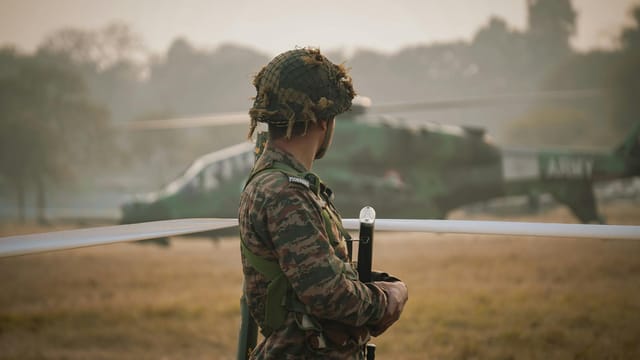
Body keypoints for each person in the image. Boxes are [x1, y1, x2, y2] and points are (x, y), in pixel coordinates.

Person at [238, 48, 408, 359]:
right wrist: (390, 298)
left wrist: (368, 280)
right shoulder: (286, 193)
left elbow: (308, 273)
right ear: (323, 121)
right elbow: (328, 295)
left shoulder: (273, 180)